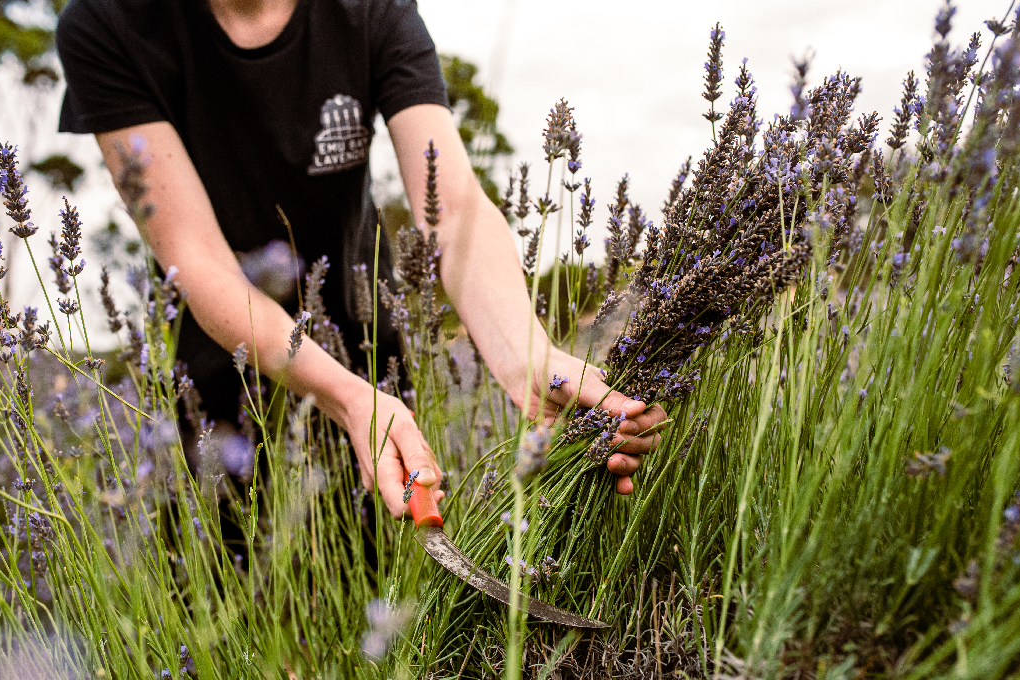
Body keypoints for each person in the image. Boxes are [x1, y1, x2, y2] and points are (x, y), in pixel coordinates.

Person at [55, 0, 666, 518]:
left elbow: (451, 208)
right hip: (220, 375)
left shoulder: (370, 6)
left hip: (370, 352)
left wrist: (523, 354)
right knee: (230, 607)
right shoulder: (107, 24)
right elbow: (198, 258)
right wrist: (344, 396)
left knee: (384, 595)